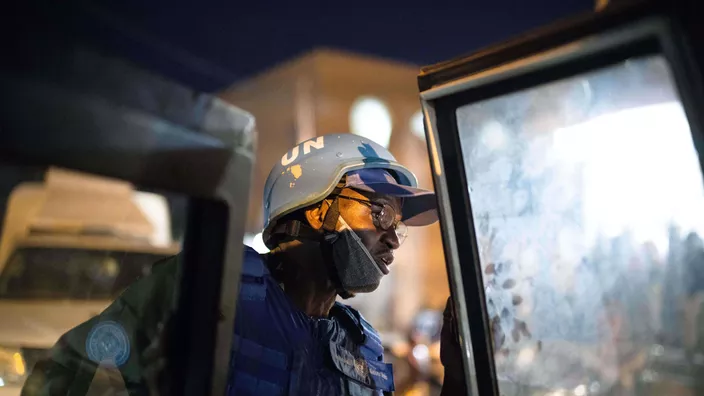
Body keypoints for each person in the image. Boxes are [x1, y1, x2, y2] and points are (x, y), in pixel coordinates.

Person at [22, 133, 465, 396]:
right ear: (316, 208)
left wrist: (459, 377)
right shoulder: (213, 288)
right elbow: (66, 375)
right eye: (381, 212)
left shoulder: (361, 344)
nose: (393, 236)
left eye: (400, 224)